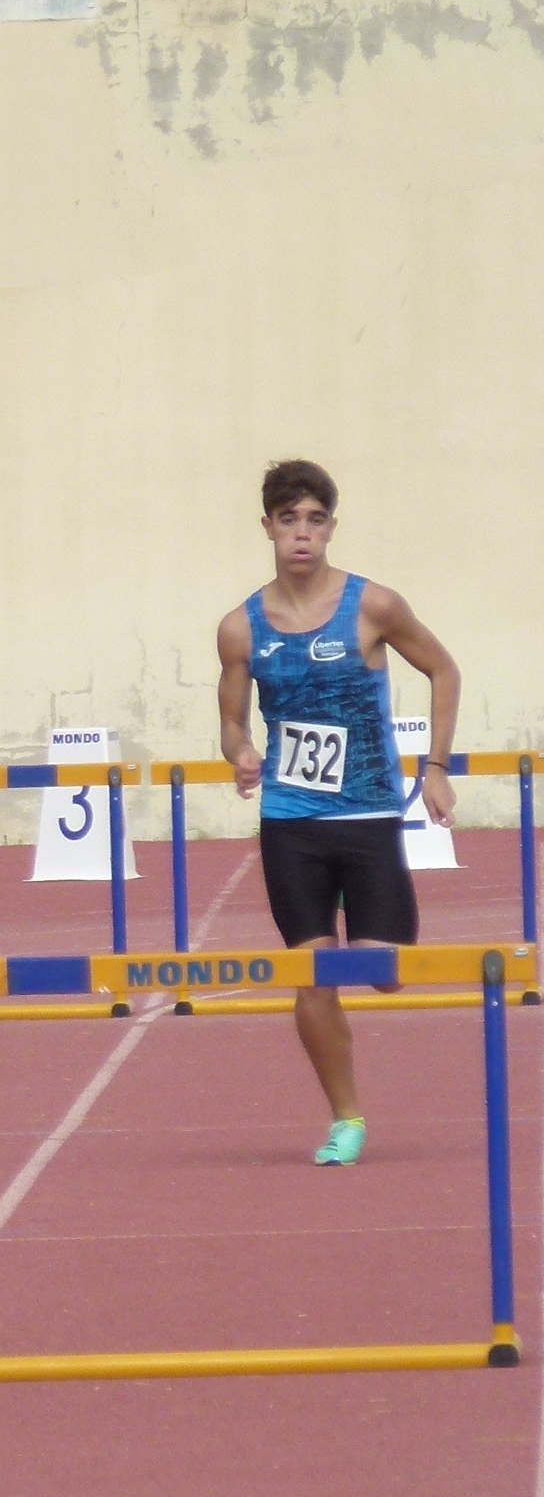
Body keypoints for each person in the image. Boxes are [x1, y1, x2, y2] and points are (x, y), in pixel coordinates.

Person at [215, 459, 461, 1168]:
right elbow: (231, 723)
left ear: (330, 528)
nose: (302, 533)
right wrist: (241, 753)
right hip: (291, 822)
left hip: (368, 815)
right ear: (267, 527)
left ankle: (366, 917)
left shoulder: (372, 606)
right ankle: (346, 1118)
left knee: (386, 971)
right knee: (313, 970)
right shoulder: (240, 628)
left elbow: (443, 669)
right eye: (289, 520)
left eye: (315, 520)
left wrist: (436, 767)